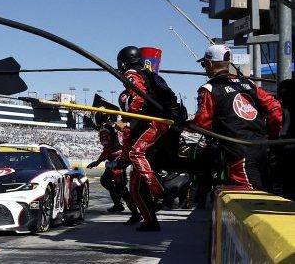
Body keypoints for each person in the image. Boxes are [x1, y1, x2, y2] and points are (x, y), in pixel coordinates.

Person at [186, 45, 281, 191]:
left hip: (238, 153)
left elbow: (201, 122)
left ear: (210, 64)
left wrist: (182, 125)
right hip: (262, 149)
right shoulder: (250, 84)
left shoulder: (209, 89)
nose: (204, 67)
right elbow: (275, 107)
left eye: (204, 63)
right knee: (266, 194)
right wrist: (273, 136)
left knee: (249, 201)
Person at [115, 46, 183, 232]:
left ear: (123, 62)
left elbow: (138, 100)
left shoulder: (131, 74)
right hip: (160, 124)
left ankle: (160, 192)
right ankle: (149, 221)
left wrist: (128, 120)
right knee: (134, 188)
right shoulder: (149, 74)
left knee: (137, 153)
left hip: (156, 123)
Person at [86, 123, 138, 217]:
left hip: (117, 161)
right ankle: (119, 203)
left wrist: (98, 162)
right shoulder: (116, 132)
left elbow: (108, 148)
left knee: (119, 186)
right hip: (119, 160)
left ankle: (134, 212)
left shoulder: (108, 132)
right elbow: (107, 149)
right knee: (110, 182)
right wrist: (97, 162)